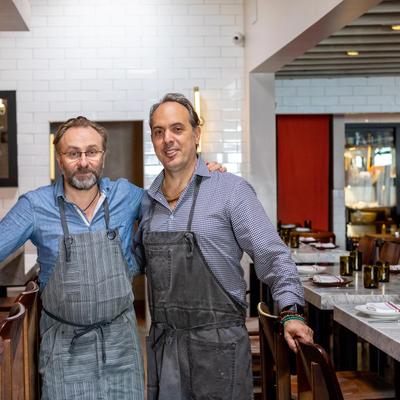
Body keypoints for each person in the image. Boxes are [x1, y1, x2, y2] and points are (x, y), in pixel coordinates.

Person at [135, 93, 314, 400]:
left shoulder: (230, 190)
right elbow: (136, 262)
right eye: (158, 131)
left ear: (197, 134)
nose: (168, 139)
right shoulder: (147, 203)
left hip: (219, 349)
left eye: (177, 129)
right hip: (165, 349)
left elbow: (272, 256)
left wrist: (291, 311)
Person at [0, 116, 145, 399]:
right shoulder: (34, 206)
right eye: (73, 153)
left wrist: (207, 174)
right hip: (64, 350)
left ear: (103, 156)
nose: (83, 162)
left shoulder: (127, 195)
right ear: (59, 158)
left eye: (91, 152)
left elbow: (172, 201)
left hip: (121, 348)